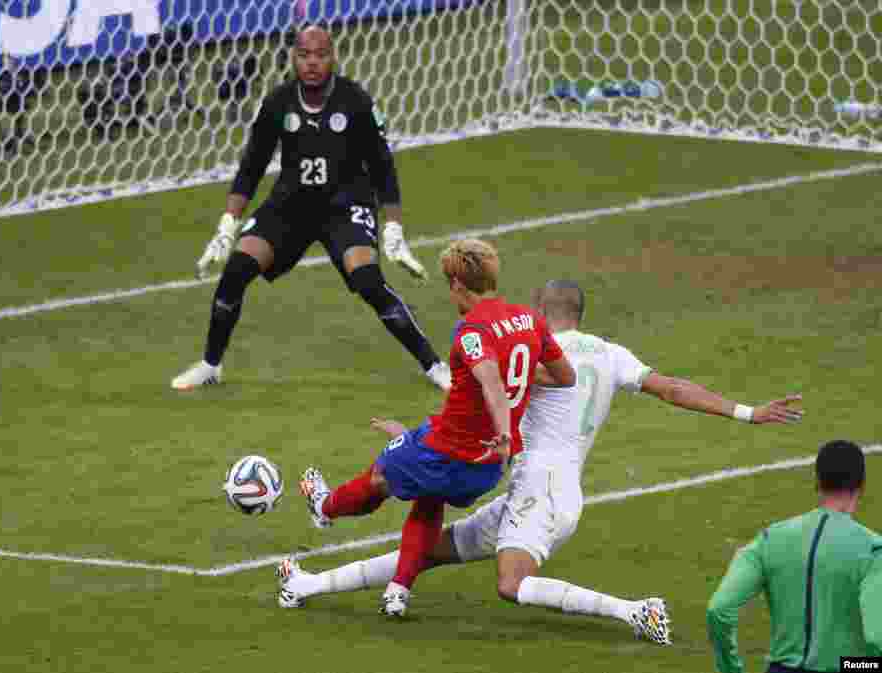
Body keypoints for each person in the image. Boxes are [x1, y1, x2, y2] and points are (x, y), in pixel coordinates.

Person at [277, 279, 804, 642]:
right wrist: (746, 411)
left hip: (540, 488)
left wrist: (418, 440)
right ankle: (307, 585)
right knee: (430, 552)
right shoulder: (611, 353)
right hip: (554, 488)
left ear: (542, 310)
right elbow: (672, 388)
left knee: (512, 584)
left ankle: (636, 612)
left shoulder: (528, 348)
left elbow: (479, 402)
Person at [294, 240, 576, 617]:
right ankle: (397, 591)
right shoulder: (530, 319)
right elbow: (565, 377)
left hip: (447, 450)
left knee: (381, 474)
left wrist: (504, 428)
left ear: (458, 284)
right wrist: (518, 385)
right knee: (429, 497)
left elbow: (490, 380)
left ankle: (324, 506)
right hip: (486, 468)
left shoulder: (471, 330)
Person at [172, 25, 450, 391]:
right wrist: (227, 225)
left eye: (320, 55)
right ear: (293, 57)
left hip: (345, 204)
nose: (312, 63)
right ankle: (211, 365)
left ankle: (434, 366)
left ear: (333, 57)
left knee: (367, 280)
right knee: (237, 269)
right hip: (292, 205)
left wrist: (393, 227)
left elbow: (382, 165)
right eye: (304, 55)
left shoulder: (355, 102)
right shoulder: (277, 103)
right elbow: (251, 167)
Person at [708, 440, 881, 673]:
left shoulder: (770, 539)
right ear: (862, 485)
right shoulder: (872, 550)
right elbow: (876, 636)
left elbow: (719, 609)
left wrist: (729, 669)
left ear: (817, 481)